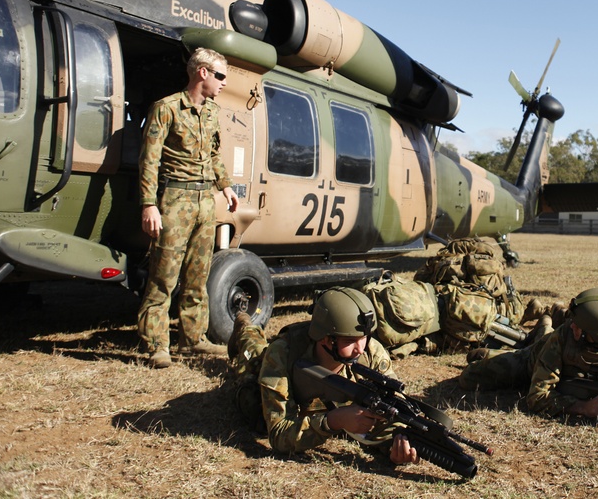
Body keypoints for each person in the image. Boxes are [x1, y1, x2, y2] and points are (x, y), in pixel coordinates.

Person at [229, 287, 419, 466]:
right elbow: (279, 436)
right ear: (325, 338)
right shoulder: (283, 353)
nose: (360, 348)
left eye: (364, 337)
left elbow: (392, 410)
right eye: (350, 340)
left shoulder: (371, 352)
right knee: (252, 351)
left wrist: (396, 442)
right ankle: (243, 323)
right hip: (264, 365)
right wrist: (332, 421)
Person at [137, 47, 239, 369]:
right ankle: (156, 343)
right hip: (175, 201)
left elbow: (213, 154)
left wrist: (225, 186)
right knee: (164, 276)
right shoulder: (165, 109)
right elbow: (149, 161)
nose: (224, 83)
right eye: (220, 75)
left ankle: (193, 339)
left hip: (204, 201)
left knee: (198, 276)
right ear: (203, 73)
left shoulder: (211, 112)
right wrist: (149, 205)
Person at [459, 287, 598, 421]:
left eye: (579, 328)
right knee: (469, 377)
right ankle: (541, 324)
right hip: (536, 356)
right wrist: (583, 407)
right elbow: (536, 397)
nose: (571, 327)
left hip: (564, 370)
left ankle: (543, 325)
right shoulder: (563, 336)